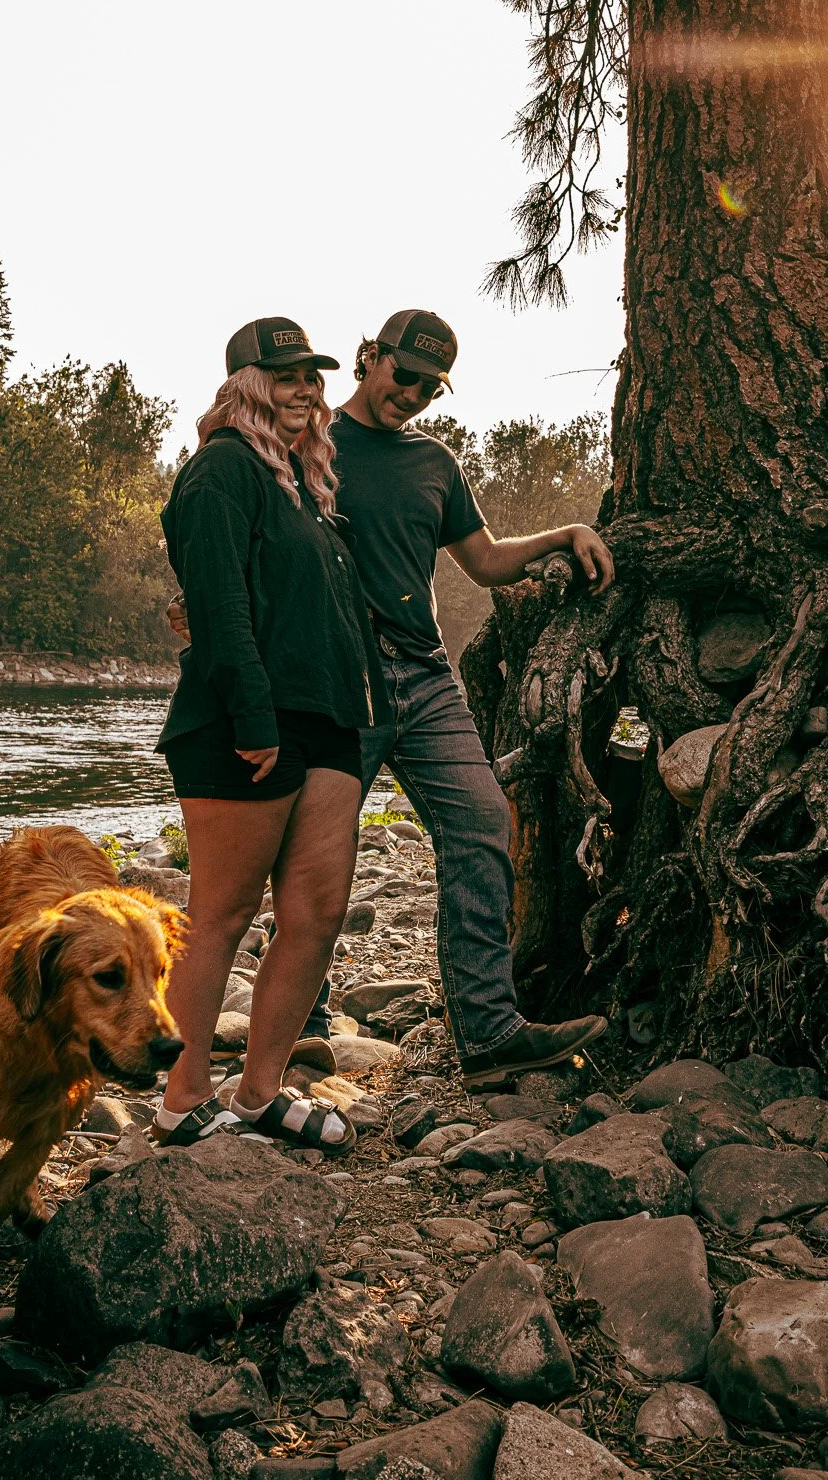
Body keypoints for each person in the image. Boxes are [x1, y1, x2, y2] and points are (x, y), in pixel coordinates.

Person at [174, 310, 617, 1092]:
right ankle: (295, 1038)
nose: (412, 394)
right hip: (337, 677)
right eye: (402, 374)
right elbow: (233, 546)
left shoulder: (434, 463)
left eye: (430, 386)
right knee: (305, 863)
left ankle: (488, 1030)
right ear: (368, 359)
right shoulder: (302, 443)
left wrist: (564, 532)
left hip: (423, 672)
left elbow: (483, 562)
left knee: (482, 817)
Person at [150, 317, 387, 1151]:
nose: (305, 390)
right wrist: (253, 718)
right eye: (285, 375)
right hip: (243, 726)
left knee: (316, 914)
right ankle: (182, 1100)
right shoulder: (219, 472)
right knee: (221, 914)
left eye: (313, 378)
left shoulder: (305, 485)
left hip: (329, 723)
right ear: (246, 384)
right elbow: (217, 608)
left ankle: (257, 1093)